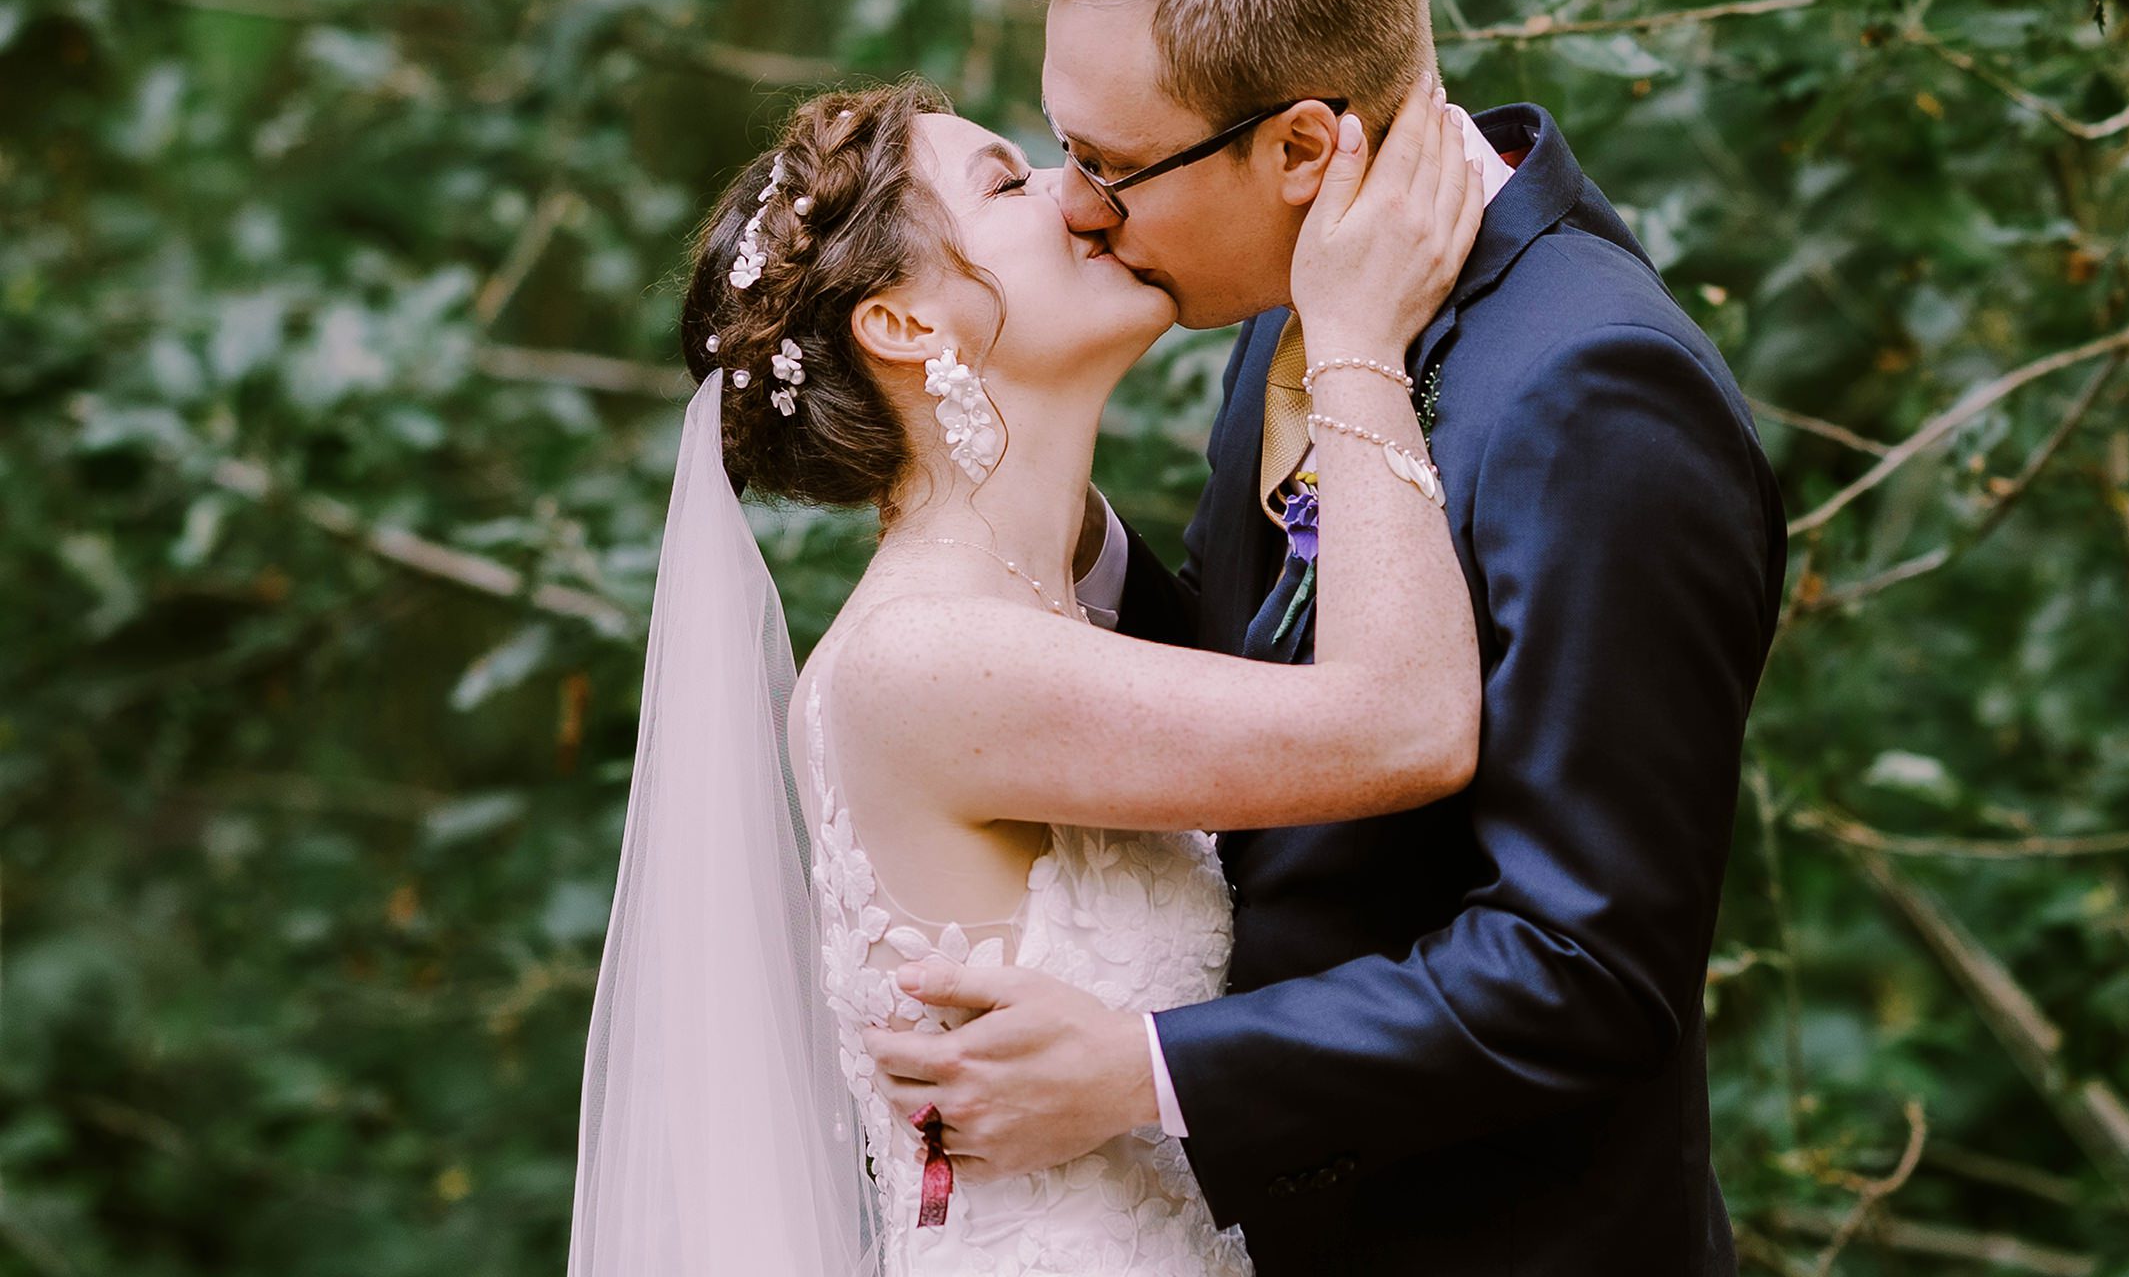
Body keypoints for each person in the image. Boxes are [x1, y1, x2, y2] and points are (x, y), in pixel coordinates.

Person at [860, 0, 1789, 1276]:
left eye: (1110, 163)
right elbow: (1272, 704)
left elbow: (1588, 967)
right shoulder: (1313, 299)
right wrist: (1031, 543)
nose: (1080, 210)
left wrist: (1145, 1073)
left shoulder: (1597, 396)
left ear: (1300, 144)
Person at [564, 71, 1488, 1276]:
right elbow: (1407, 725)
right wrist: (1356, 342)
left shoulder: (1032, 615)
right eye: (1009, 183)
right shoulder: (927, 658)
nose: (1084, 193)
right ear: (904, 326)